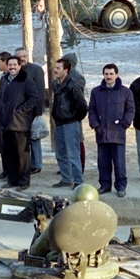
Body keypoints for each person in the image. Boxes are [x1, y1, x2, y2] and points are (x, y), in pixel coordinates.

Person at [88, 63, 134, 198]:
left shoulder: (126, 92)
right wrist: (95, 125)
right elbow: (91, 109)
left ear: (116, 75)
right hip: (102, 132)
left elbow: (130, 109)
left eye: (111, 74)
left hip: (118, 133)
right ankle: (104, 185)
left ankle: (120, 187)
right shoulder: (96, 92)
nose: (108, 76)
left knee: (119, 163)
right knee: (103, 162)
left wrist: (125, 124)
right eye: (106, 74)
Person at [0, 56, 41, 190]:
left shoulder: (26, 80)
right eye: (10, 65)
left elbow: (34, 98)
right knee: (9, 154)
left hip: (19, 124)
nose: (12, 67)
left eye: (15, 65)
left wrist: (20, 111)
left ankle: (23, 182)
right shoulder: (4, 80)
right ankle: (12, 179)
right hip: (5, 123)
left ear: (20, 66)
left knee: (22, 155)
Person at [50, 57, 88, 188]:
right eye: (55, 68)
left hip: (71, 123)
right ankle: (66, 178)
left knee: (73, 154)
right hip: (59, 123)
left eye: (58, 68)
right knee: (60, 153)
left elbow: (82, 105)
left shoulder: (72, 84)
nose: (55, 70)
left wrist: (74, 118)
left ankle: (78, 181)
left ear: (66, 70)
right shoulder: (55, 84)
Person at [15, 47, 45, 173]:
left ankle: (37, 164)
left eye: (24, 56)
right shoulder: (16, 70)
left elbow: (40, 91)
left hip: (33, 111)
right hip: (20, 113)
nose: (22, 58)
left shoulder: (36, 70)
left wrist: (38, 112)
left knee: (34, 138)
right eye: (19, 56)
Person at [0, 51, 12, 180]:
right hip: (1, 116)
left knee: (9, 147)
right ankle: (5, 170)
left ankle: (11, 172)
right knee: (2, 146)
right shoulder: (3, 78)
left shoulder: (12, 79)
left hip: (9, 118)